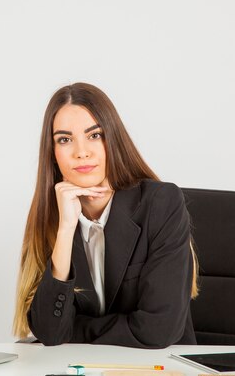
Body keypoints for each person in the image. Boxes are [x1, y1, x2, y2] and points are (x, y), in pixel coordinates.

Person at [13, 82, 198, 348]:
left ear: (113, 139)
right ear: (53, 155)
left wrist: (74, 332)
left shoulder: (161, 203)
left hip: (158, 373)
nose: (81, 152)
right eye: (65, 140)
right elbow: (51, 333)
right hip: (80, 373)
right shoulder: (53, 216)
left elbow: (159, 330)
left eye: (94, 135)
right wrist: (65, 231)